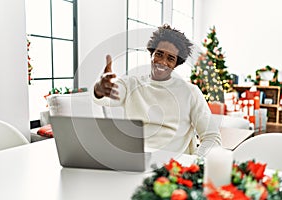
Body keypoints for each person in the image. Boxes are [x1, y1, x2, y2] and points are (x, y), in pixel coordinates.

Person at [93, 24, 221, 157]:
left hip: (174, 166)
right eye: (159, 54)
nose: (163, 62)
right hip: (134, 160)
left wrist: (194, 164)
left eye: (170, 58)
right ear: (151, 54)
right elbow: (109, 97)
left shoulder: (191, 92)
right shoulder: (131, 83)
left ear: (176, 63)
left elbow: (212, 137)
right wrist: (100, 89)